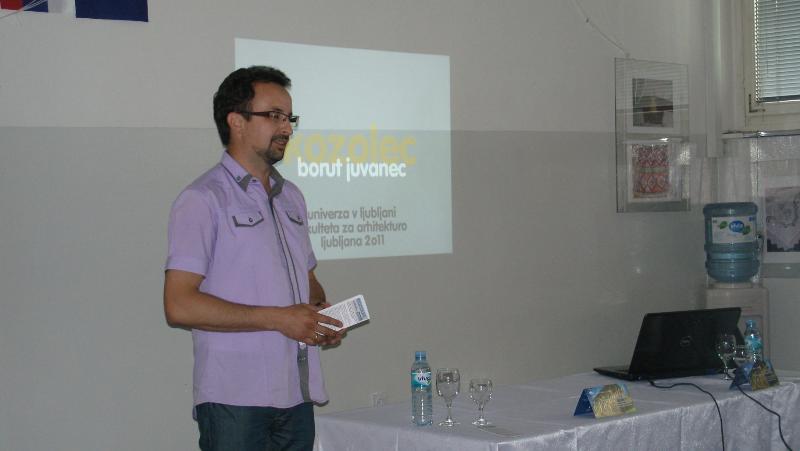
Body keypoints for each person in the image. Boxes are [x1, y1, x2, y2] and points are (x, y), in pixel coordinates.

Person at [163, 65, 345, 451]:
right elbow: (179, 305)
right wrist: (279, 318)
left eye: (289, 118)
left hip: (295, 395)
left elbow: (308, 282)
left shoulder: (291, 196)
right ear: (237, 122)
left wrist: (319, 318)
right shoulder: (202, 199)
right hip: (235, 398)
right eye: (274, 116)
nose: (287, 128)